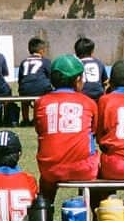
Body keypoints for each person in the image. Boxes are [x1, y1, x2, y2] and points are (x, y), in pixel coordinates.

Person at [34, 55, 99, 203]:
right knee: (94, 166)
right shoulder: (89, 103)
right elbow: (94, 132)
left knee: (46, 182)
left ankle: (45, 215)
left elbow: (39, 130)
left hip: (49, 169)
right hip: (84, 170)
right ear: (77, 80)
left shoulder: (41, 102)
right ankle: (96, 217)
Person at [17, 37, 53, 126]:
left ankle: (25, 119)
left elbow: (20, 79)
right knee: (46, 93)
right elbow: (51, 76)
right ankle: (39, 118)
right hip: (42, 89)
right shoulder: (45, 61)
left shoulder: (24, 62)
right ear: (41, 51)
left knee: (24, 98)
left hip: (25, 89)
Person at [75, 36, 108, 101]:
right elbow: (105, 81)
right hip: (98, 97)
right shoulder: (99, 63)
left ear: (76, 53)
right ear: (92, 51)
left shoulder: (75, 64)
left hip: (82, 97)